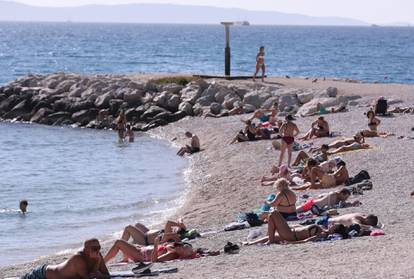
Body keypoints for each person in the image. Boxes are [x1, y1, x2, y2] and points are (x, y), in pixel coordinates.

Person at [244, 210, 347, 245]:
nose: (332, 224)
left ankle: (270, 241)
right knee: (270, 236)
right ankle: (249, 243)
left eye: (334, 226)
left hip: (291, 235)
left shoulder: (323, 233)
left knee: (273, 214)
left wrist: (291, 243)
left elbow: (307, 240)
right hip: (290, 232)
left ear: (334, 231)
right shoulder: (323, 229)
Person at [21, 239, 109, 279]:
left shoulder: (97, 255)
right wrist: (98, 262)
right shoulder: (78, 259)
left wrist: (98, 265)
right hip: (43, 274)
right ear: (85, 249)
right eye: (94, 248)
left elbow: (106, 275)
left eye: (98, 247)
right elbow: (89, 277)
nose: (97, 250)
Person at [104, 237, 197, 264]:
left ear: (184, 255)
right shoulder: (173, 248)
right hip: (141, 250)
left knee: (119, 242)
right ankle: (126, 258)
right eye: (182, 246)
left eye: (183, 249)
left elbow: (154, 260)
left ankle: (103, 263)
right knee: (126, 244)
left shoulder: (171, 254)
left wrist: (156, 244)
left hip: (141, 256)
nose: (181, 247)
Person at [121, 219, 187, 246]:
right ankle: (134, 242)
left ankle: (122, 245)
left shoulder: (168, 234)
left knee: (128, 227)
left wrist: (180, 225)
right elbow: (179, 219)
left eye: (177, 229)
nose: (175, 229)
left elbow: (168, 222)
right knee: (137, 225)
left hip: (144, 240)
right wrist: (180, 223)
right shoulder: (171, 231)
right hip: (147, 233)